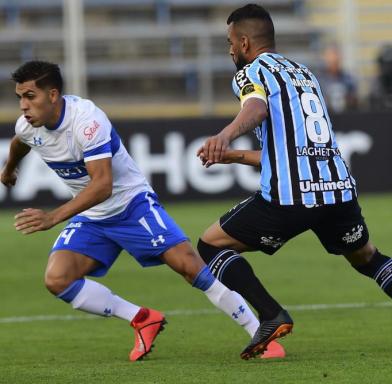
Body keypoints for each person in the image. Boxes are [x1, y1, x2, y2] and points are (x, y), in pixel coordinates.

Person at [0, 60, 264, 362]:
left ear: (53, 94)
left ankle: (258, 331)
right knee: (58, 279)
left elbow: (102, 185)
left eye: (29, 96)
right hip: (94, 216)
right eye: (19, 97)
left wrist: (52, 217)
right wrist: (9, 169)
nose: (23, 106)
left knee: (190, 267)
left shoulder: (87, 121)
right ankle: (141, 319)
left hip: (131, 205)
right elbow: (21, 142)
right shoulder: (27, 126)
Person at [197, 4, 392, 360]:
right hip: (337, 189)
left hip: (291, 199)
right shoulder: (305, 73)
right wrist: (237, 156)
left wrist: (225, 136)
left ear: (243, 42)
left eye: (229, 42)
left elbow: (255, 109)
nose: (229, 50)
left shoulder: (250, 72)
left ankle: (270, 315)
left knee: (210, 245)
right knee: (368, 258)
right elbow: (292, 150)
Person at [317, 44, 358, 113]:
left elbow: (355, 100)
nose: (333, 59)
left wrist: (347, 99)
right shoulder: (319, 80)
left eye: (335, 55)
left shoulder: (348, 79)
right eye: (330, 55)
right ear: (325, 57)